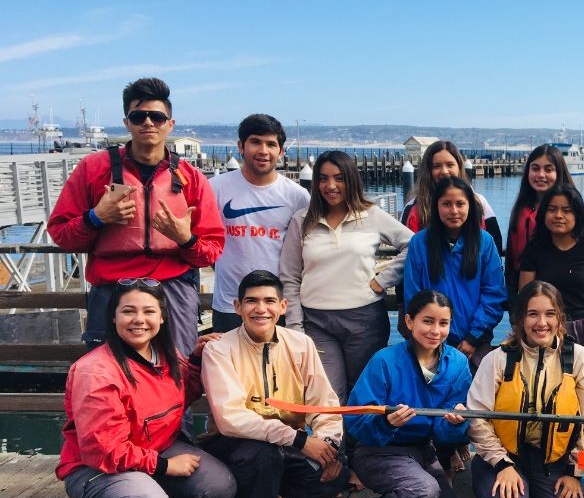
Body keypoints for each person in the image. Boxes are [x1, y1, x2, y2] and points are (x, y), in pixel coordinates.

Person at [56, 280, 236, 498]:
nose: (139, 319)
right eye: (128, 311)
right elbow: (104, 449)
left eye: (149, 311)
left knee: (218, 488)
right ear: (112, 317)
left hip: (157, 447)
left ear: (162, 317)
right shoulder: (96, 371)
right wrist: (164, 466)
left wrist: (194, 360)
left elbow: (183, 393)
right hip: (98, 468)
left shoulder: (165, 353)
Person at [48, 77, 224, 356]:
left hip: (172, 290)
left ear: (170, 123)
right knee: (105, 375)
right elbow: (61, 235)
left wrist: (185, 239)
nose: (148, 123)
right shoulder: (93, 169)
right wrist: (96, 218)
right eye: (138, 116)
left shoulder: (191, 178)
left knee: (175, 373)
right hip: (111, 291)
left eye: (156, 116)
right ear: (127, 122)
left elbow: (212, 250)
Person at [202, 270, 351, 498]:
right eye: (251, 301)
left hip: (288, 444)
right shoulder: (218, 349)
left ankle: (267, 493)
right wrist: (298, 440)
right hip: (233, 442)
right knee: (262, 456)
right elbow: (231, 419)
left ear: (283, 307)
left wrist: (328, 443)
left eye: (269, 301)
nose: (261, 309)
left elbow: (324, 401)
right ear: (237, 307)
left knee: (335, 477)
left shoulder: (300, 343)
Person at [467, 281, 584, 498]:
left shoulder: (578, 358)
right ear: (519, 319)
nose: (541, 323)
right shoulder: (498, 359)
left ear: (560, 318)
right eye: (532, 314)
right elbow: (477, 418)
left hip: (554, 461)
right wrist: (502, 463)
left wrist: (575, 471)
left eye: (550, 314)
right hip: (504, 456)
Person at [345, 290, 474, 498]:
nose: (435, 331)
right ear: (408, 321)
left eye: (443, 323)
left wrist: (455, 424)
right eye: (427, 321)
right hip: (378, 450)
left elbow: (447, 436)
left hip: (422, 451)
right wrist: (387, 424)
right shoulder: (384, 360)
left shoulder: (458, 363)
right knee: (422, 489)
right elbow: (356, 420)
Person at [278, 150, 411, 401]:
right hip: (316, 322)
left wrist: (383, 280)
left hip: (365, 321)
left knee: (363, 395)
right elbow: (290, 276)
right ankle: (333, 442)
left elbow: (413, 245)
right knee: (329, 396)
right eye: (324, 178)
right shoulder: (302, 220)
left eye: (339, 178)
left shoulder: (372, 215)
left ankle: (361, 442)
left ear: (351, 180)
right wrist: (295, 327)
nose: (331, 186)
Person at [208, 115, 311, 332]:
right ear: (240, 146)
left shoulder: (297, 196)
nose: (263, 150)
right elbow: (207, 243)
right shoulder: (215, 188)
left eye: (271, 144)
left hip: (277, 306)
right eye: (255, 142)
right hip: (230, 304)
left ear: (281, 152)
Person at [403, 176, 507, 364]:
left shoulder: (485, 242)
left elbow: (494, 295)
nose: (454, 211)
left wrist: (473, 337)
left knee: (476, 391)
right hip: (429, 341)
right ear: (436, 206)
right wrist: (431, 334)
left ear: (470, 206)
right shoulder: (419, 244)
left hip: (475, 343)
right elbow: (413, 295)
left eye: (460, 204)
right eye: (446, 204)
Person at [519, 184, 584, 366]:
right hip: (544, 327)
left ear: (577, 214)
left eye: (567, 210)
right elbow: (525, 296)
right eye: (552, 209)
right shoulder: (534, 249)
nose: (558, 216)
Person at [400, 139, 503, 254]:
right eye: (437, 166)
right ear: (428, 170)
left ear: (459, 167)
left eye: (450, 165)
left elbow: (496, 244)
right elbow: (404, 250)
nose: (444, 171)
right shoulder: (412, 207)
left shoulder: (480, 202)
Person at [505, 144, 575, 302]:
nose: (541, 175)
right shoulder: (520, 210)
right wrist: (512, 300)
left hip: (557, 294)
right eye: (535, 168)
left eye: (548, 169)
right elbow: (511, 257)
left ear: (559, 172)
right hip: (523, 291)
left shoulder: (571, 211)